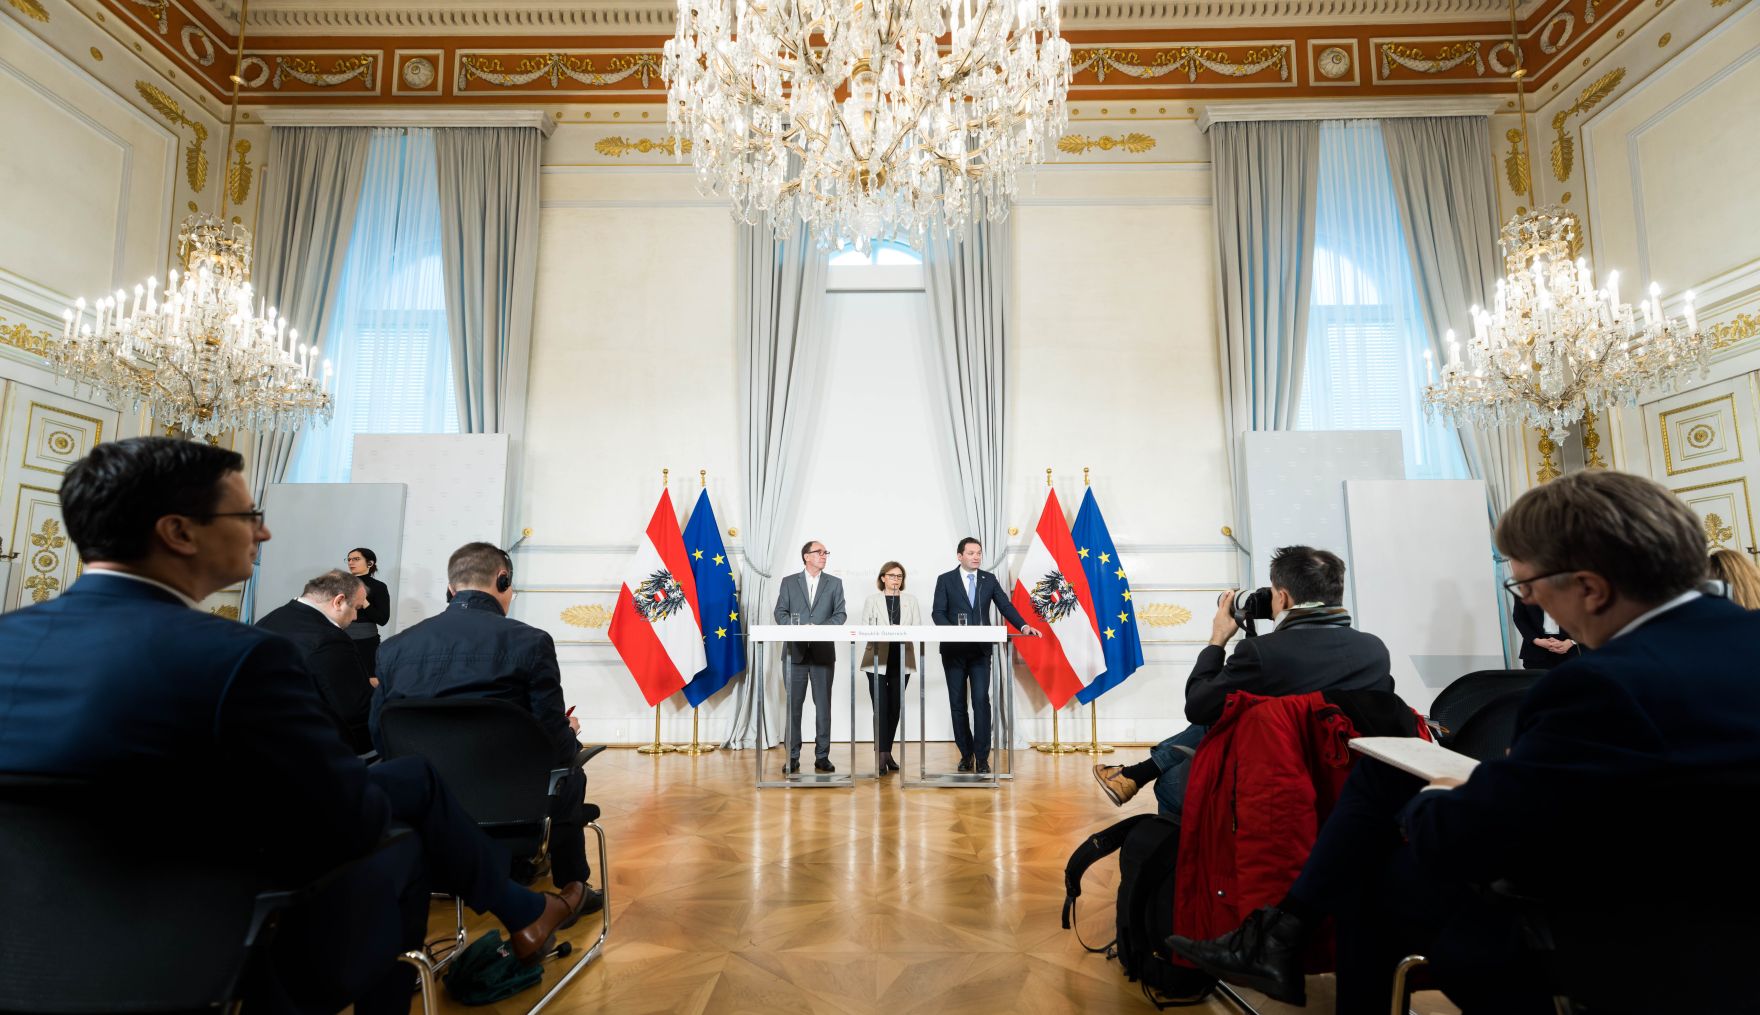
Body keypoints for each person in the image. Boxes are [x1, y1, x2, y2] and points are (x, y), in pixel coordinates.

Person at [0, 438, 586, 1015]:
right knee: (403, 840)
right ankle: (508, 921)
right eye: (248, 515)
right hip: (209, 932)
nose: (264, 531)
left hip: (25, 938)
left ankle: (519, 908)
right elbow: (343, 824)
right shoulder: (241, 657)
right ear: (178, 532)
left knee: (412, 781)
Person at [1166, 470, 1760, 1013]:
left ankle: (1281, 935)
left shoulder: (1599, 686)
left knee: (1370, 873)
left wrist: (1440, 797)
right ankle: (1281, 932)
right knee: (1380, 785)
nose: (1527, 602)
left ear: (1591, 589)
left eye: (1526, 586)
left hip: (1643, 932)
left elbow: (1478, 841)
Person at [373, 542, 602, 915]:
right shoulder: (531, 641)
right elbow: (553, 741)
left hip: (427, 804)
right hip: (513, 801)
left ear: (450, 590)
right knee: (570, 771)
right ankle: (572, 886)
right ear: (503, 578)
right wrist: (568, 732)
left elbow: (380, 733)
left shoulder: (394, 649)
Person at [1094, 545, 1393, 818]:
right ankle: (1134, 775)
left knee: (1172, 783)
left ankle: (1181, 866)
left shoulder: (1264, 654)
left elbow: (1198, 708)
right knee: (1235, 709)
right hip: (1345, 779)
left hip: (1273, 781)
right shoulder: (1374, 650)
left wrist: (1217, 640)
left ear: (1283, 597)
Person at [930, 537, 1040, 775]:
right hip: (954, 652)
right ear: (960, 556)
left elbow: (1005, 606)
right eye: (971, 553)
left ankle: (982, 757)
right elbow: (937, 613)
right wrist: (953, 634)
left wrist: (1023, 626)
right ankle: (965, 755)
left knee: (981, 701)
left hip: (980, 651)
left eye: (979, 553)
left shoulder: (988, 580)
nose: (976, 557)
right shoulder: (945, 580)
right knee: (958, 705)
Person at [257, 568, 376, 753]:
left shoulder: (269, 620)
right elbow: (356, 712)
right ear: (339, 601)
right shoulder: (331, 640)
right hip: (315, 749)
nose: (355, 617)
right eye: (356, 608)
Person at [772, 539, 847, 774]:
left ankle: (822, 756)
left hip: (823, 654)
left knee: (823, 707)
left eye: (826, 553)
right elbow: (780, 612)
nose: (824, 556)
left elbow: (840, 615)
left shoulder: (835, 583)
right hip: (795, 653)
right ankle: (792, 757)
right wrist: (801, 628)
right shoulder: (788, 582)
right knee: (793, 707)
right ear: (806, 556)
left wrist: (817, 628)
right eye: (819, 552)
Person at [859, 561, 922, 774]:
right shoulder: (872, 600)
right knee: (881, 707)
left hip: (902, 657)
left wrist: (901, 631)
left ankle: (887, 752)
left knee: (895, 707)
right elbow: (864, 628)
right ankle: (881, 755)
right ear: (883, 577)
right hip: (877, 658)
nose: (896, 579)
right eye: (892, 575)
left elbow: (917, 629)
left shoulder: (910, 601)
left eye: (900, 576)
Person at [346, 546, 391, 678]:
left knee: (368, 680)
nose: (350, 562)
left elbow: (383, 619)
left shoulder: (379, 587)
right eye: (348, 559)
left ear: (370, 563)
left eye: (356, 559)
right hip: (340, 640)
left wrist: (364, 602)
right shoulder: (340, 584)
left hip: (366, 643)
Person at [1510, 598, 1578, 669]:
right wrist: (1536, 640)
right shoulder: (1525, 588)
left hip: (1572, 651)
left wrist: (1571, 641)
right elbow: (1519, 618)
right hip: (1536, 653)